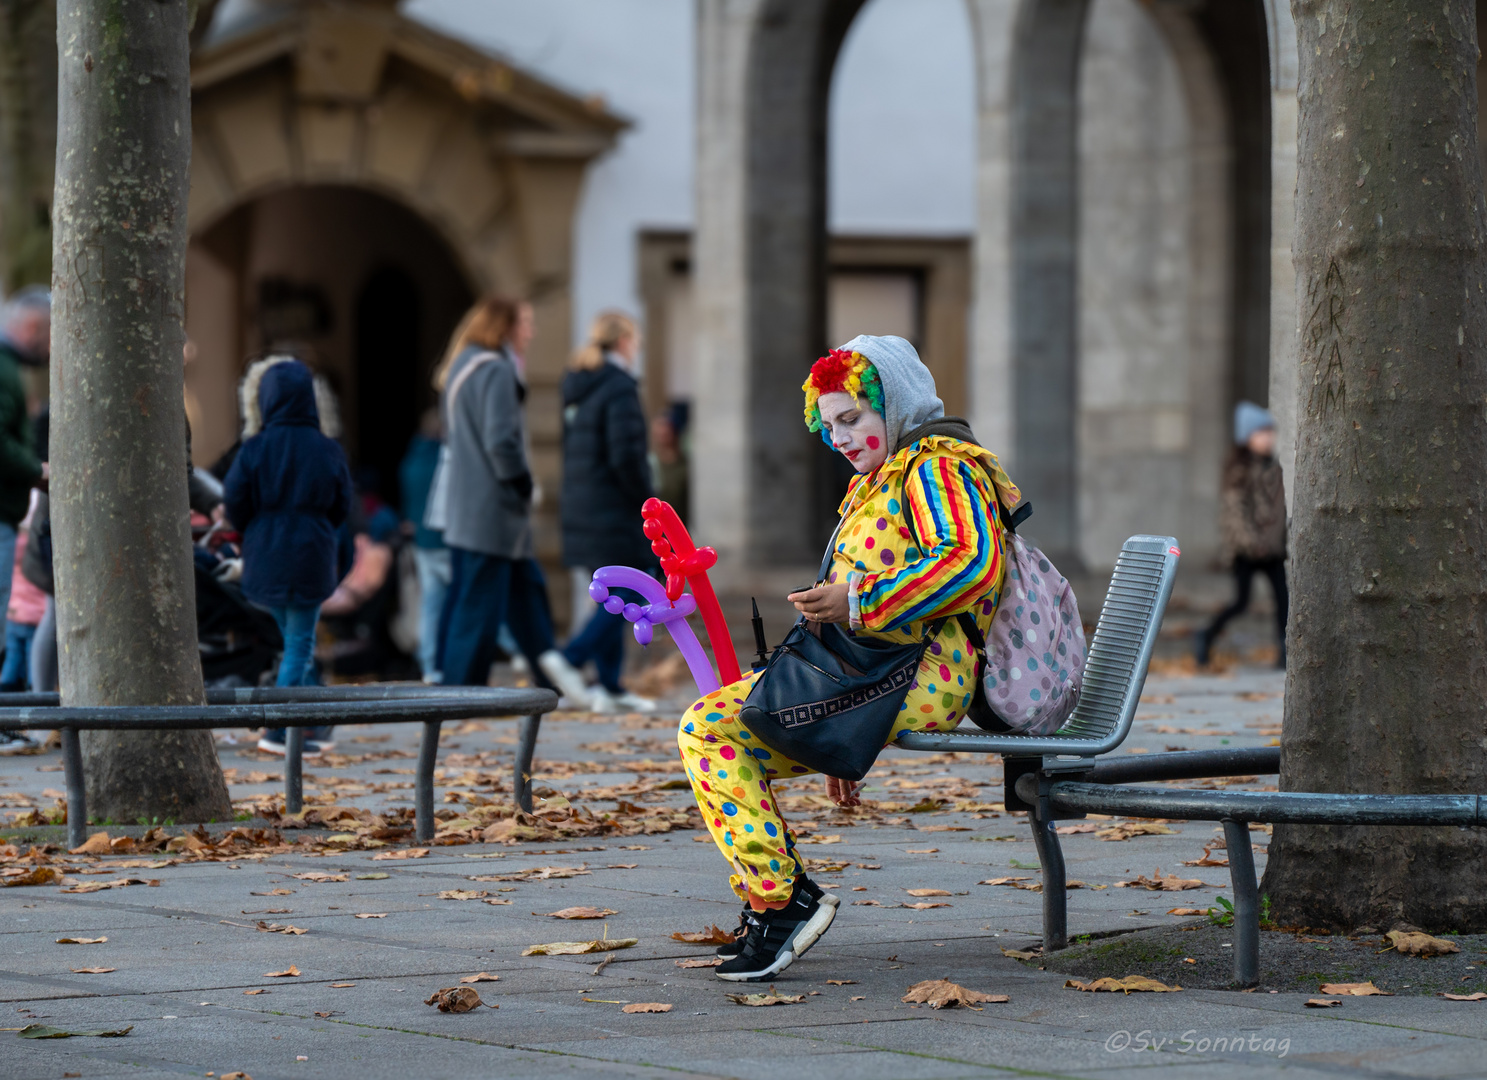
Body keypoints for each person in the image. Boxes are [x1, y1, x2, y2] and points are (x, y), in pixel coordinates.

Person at [678, 334, 1018, 981]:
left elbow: (972, 563)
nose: (838, 436)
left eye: (851, 418)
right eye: (828, 424)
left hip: (919, 673)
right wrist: (841, 729)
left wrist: (857, 599)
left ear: (893, 404)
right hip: (873, 672)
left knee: (707, 728)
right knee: (717, 730)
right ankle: (772, 901)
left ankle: (781, 903)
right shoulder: (881, 477)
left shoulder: (937, 463)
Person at [432, 296, 589, 703]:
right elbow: (501, 440)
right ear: (504, 327)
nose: (531, 331)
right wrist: (521, 483)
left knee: (524, 595)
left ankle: (551, 685)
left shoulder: (463, 366)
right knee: (479, 604)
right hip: (493, 510)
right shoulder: (497, 369)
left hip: (470, 506)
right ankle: (459, 694)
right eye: (526, 323)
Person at [223, 357, 353, 755]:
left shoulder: (255, 448)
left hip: (265, 553)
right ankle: (279, 732)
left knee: (296, 641)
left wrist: (257, 527)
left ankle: (312, 723)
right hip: (311, 554)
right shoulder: (327, 449)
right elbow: (342, 504)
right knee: (300, 644)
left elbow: (234, 501)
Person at [558, 310, 658, 713]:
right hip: (614, 508)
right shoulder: (618, 388)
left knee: (612, 593)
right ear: (622, 342)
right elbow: (627, 456)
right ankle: (567, 661)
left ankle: (610, 688)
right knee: (631, 586)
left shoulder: (579, 388)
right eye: (634, 341)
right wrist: (650, 502)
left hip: (584, 505)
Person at [1195, 401, 1288, 668]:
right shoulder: (1240, 470)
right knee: (1240, 602)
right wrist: (1252, 543)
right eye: (1262, 432)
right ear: (1247, 437)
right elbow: (1234, 512)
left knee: (1283, 601)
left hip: (1271, 550)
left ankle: (1284, 652)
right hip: (1248, 552)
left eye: (1270, 432)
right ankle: (1206, 635)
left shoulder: (1272, 467)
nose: (1268, 437)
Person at [399, 409, 449, 682]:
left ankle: (428, 663)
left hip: (420, 541)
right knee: (460, 601)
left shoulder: (410, 461)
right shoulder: (441, 459)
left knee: (430, 603)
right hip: (444, 539)